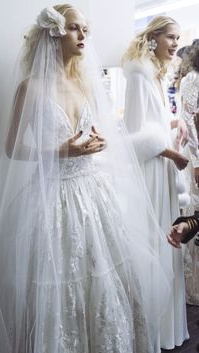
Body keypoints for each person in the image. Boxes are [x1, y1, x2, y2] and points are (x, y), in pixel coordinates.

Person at [0, 5, 172, 353]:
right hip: (52, 198)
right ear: (54, 34)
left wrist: (102, 142)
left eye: (84, 29)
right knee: (57, 289)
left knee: (107, 282)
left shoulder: (84, 84)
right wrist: (59, 151)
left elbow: (99, 133)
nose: (83, 36)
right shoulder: (29, 89)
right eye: (75, 29)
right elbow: (13, 148)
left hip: (95, 193)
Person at [122, 16, 189, 350]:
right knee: (155, 243)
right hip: (151, 171)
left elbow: (154, 121)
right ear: (153, 37)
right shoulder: (138, 75)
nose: (176, 44)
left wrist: (175, 122)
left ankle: (167, 328)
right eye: (171, 37)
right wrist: (173, 155)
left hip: (162, 167)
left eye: (178, 38)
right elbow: (136, 134)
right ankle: (151, 329)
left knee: (168, 243)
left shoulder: (155, 76)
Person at [176, 39, 199, 305]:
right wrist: (196, 162)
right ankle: (194, 287)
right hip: (196, 157)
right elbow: (189, 122)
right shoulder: (192, 79)